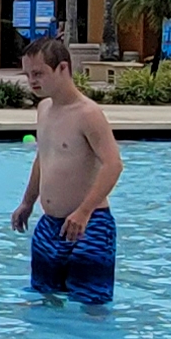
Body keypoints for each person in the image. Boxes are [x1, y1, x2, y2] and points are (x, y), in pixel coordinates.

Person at [11, 35, 123, 304]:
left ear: (63, 68)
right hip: (49, 226)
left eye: (38, 73)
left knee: (91, 305)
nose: (32, 81)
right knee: (45, 299)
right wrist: (28, 202)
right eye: (28, 75)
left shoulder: (88, 114)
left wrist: (84, 212)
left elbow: (113, 164)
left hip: (89, 224)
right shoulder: (44, 109)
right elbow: (44, 157)